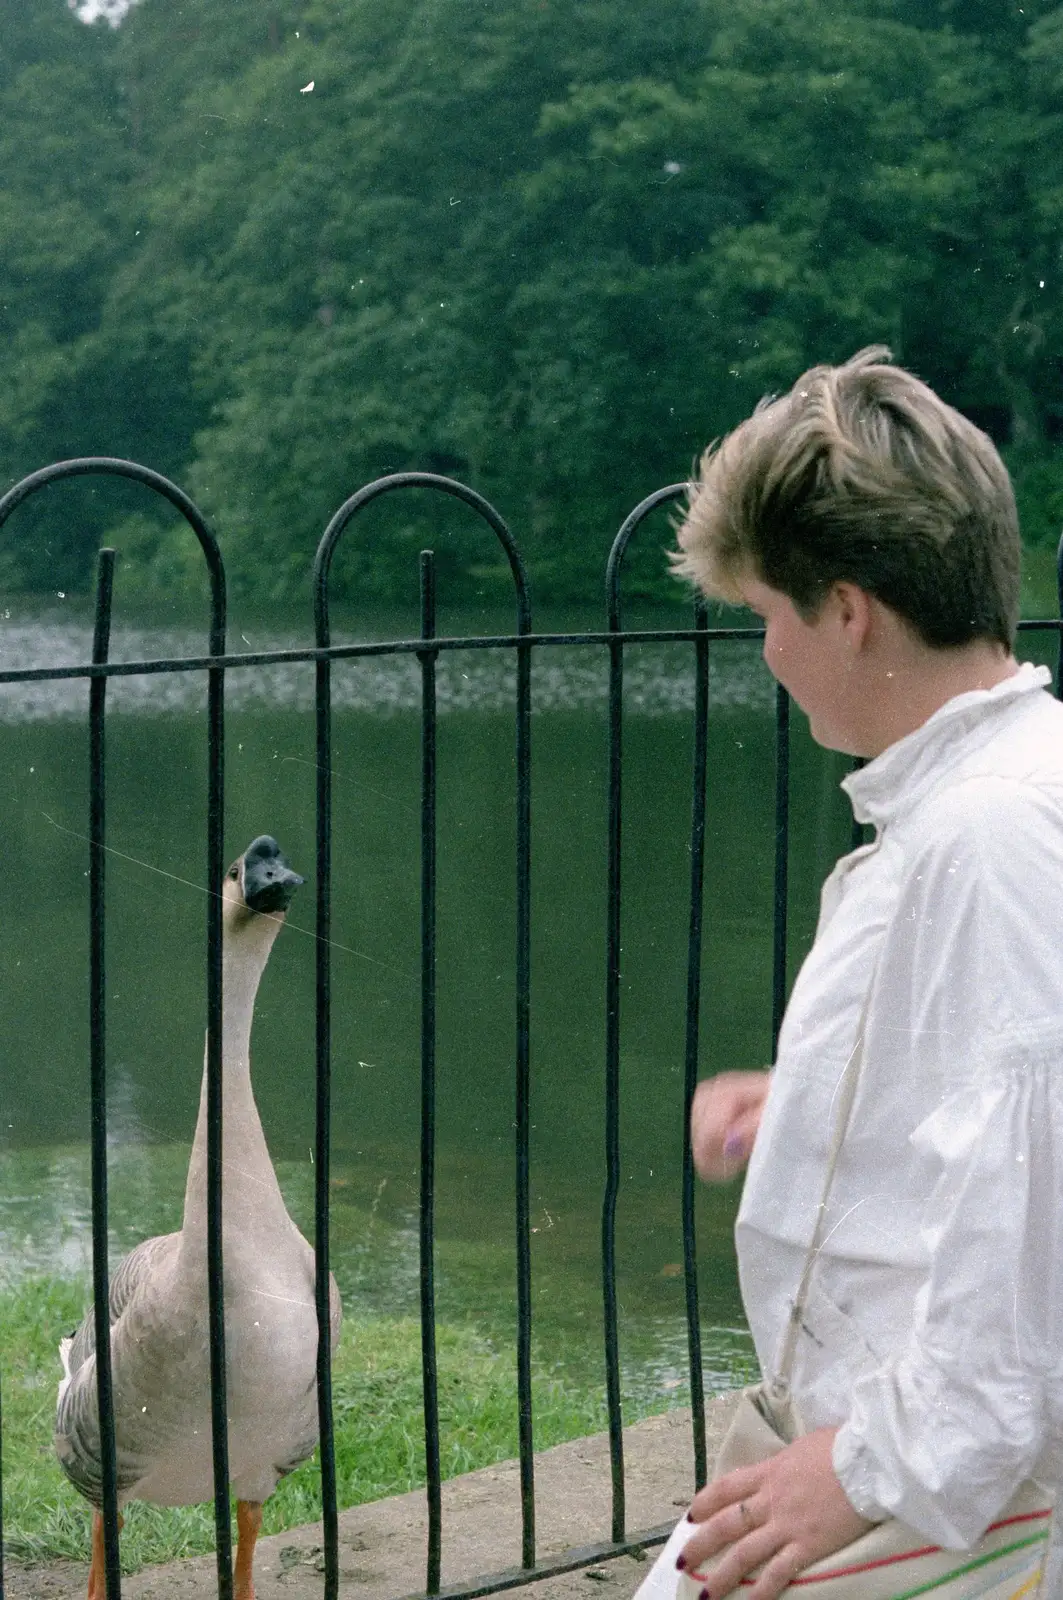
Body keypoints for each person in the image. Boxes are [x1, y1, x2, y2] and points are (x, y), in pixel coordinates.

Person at [670, 346, 1063, 1599]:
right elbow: (1002, 1099)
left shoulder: (991, 835)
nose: (769, 656)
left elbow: (1037, 1227)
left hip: (959, 1510)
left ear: (846, 611)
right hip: (931, 1476)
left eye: (768, 618)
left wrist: (863, 1467)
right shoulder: (983, 799)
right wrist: (823, 1099)